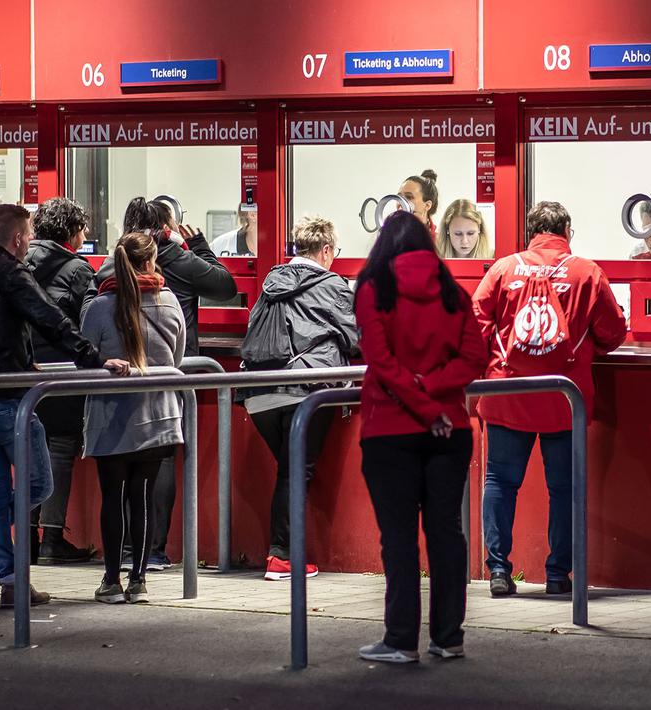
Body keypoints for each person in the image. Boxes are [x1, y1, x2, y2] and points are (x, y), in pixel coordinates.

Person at [0, 204, 130, 609]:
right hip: (8, 401)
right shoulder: (12, 275)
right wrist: (95, 358)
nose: (31, 241)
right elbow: (51, 318)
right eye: (27, 235)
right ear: (16, 239)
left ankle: (9, 579)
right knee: (39, 485)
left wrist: (22, 357)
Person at [473, 201, 627, 597]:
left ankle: (498, 572)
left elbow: (474, 326)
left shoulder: (504, 268)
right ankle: (558, 575)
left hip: (507, 393)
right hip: (564, 396)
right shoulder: (586, 272)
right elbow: (612, 332)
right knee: (564, 488)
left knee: (500, 482)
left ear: (530, 233)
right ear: (567, 231)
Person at [353, 211, 488, 663]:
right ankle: (449, 637)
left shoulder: (374, 289)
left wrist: (419, 399)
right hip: (451, 430)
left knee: (399, 537)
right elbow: (474, 358)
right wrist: (434, 397)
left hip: (390, 430)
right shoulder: (454, 292)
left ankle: (400, 640)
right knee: (447, 533)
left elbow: (380, 362)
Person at [93, 197, 237, 571]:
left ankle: (121, 557)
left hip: (116, 380)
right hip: (165, 375)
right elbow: (225, 285)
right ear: (165, 229)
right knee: (156, 464)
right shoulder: (174, 259)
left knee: (118, 472)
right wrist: (199, 245)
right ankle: (151, 552)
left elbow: (89, 327)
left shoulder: (111, 263)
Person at [239, 216, 358, 581]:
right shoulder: (333, 286)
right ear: (325, 250)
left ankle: (283, 554)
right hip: (304, 389)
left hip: (258, 394)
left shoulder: (271, 281)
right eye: (333, 252)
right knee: (296, 472)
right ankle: (282, 557)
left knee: (290, 471)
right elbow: (357, 338)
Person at [82, 231, 185, 604]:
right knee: (142, 497)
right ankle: (139, 580)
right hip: (157, 414)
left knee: (113, 496)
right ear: (150, 261)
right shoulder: (170, 302)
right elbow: (176, 358)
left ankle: (111, 579)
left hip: (111, 416)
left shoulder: (97, 307)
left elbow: (85, 353)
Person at [25, 197, 97, 564]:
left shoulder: (18, 261)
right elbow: (91, 321)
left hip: (25, 373)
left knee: (29, 452)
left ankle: (28, 540)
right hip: (65, 373)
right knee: (61, 451)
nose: (85, 236)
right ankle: (52, 539)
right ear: (70, 233)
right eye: (82, 229)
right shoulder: (78, 269)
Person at [398, 170, 439, 239]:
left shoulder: (440, 242)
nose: (401, 202)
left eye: (409, 197)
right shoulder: (389, 236)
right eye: (399, 197)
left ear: (427, 205)